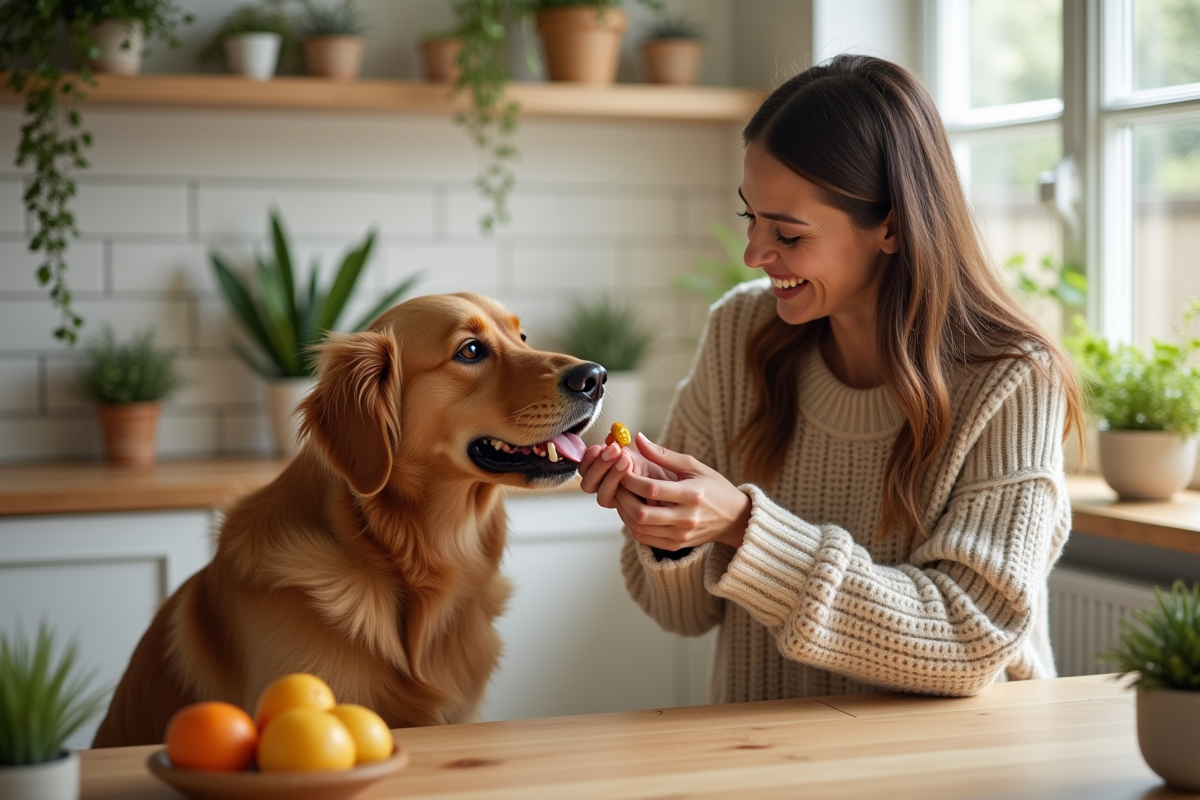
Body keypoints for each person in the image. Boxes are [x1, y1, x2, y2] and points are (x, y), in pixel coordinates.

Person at [577, 54, 1084, 701]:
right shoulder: (739, 335)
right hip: (769, 759)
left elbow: (970, 638)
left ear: (892, 227)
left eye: (787, 233)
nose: (755, 254)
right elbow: (684, 615)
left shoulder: (1011, 380)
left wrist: (743, 528)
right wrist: (666, 528)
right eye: (750, 218)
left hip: (959, 768)